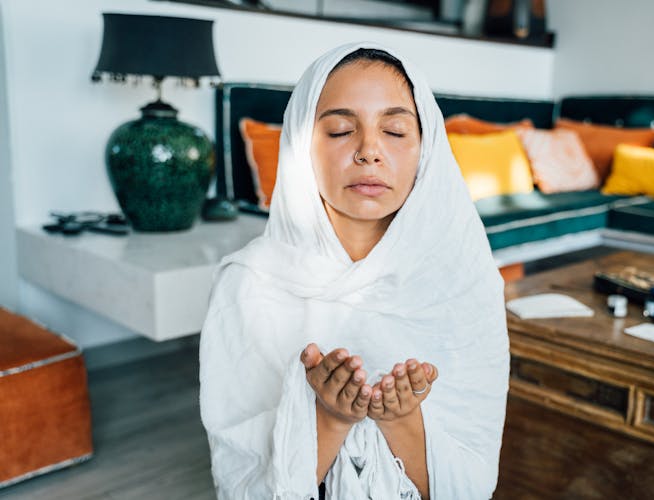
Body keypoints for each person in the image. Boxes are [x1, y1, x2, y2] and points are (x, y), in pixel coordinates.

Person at [200, 42, 509, 500]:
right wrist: (330, 418)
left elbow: (471, 478)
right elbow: (242, 479)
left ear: (426, 149)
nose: (369, 150)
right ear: (301, 145)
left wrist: (401, 419)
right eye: (342, 130)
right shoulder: (249, 283)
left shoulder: (463, 280)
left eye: (397, 131)